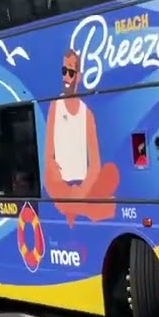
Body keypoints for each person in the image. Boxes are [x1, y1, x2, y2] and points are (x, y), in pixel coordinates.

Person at [44, 49, 119, 226]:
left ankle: (77, 207)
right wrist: (62, 185)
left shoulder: (87, 114)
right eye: (64, 71)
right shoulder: (55, 106)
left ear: (78, 76)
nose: (66, 77)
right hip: (60, 186)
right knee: (106, 207)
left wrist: (82, 190)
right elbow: (48, 157)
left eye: (70, 72)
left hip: (82, 186)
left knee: (110, 172)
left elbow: (95, 165)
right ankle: (78, 208)